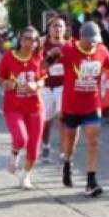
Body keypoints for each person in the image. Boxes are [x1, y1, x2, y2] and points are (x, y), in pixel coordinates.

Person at [56, 21, 109, 197]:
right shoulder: (68, 50)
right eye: (89, 40)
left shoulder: (101, 50)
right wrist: (50, 54)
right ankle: (67, 161)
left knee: (93, 140)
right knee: (70, 142)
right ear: (81, 38)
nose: (92, 44)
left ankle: (91, 181)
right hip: (71, 105)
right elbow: (45, 65)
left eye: (94, 40)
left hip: (92, 104)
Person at [0, 27, 46, 189]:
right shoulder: (8, 57)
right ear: (19, 39)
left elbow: (43, 79)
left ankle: (25, 176)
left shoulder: (38, 57)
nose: (29, 43)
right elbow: (0, 79)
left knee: (34, 147)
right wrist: (6, 84)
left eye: (33, 40)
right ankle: (14, 152)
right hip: (14, 107)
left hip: (35, 107)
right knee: (20, 139)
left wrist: (36, 84)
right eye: (26, 38)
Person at [40, 16, 69, 164]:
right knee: (46, 122)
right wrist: (50, 57)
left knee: (62, 118)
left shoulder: (69, 46)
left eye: (60, 26)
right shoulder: (41, 45)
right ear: (49, 29)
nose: (57, 29)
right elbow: (39, 67)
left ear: (65, 30)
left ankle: (63, 153)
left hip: (63, 87)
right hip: (46, 87)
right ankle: (45, 145)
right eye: (54, 26)